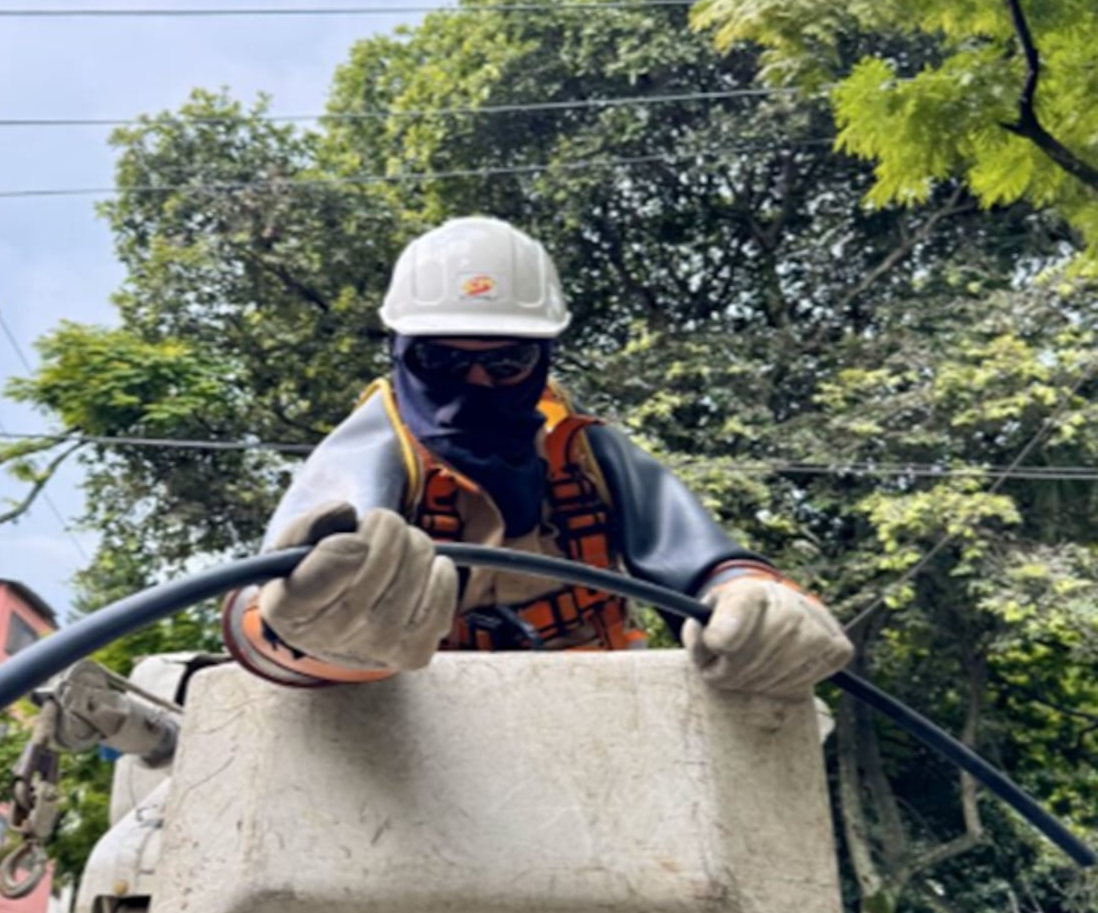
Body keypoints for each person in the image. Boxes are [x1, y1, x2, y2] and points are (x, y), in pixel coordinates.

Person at [224, 216, 851, 692]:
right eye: (441, 360)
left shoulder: (585, 454)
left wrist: (760, 603)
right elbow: (269, 607)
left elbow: (711, 565)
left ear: (541, 361)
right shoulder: (376, 450)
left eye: (506, 362)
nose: (475, 386)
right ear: (399, 352)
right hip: (418, 721)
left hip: (603, 710)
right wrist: (307, 632)